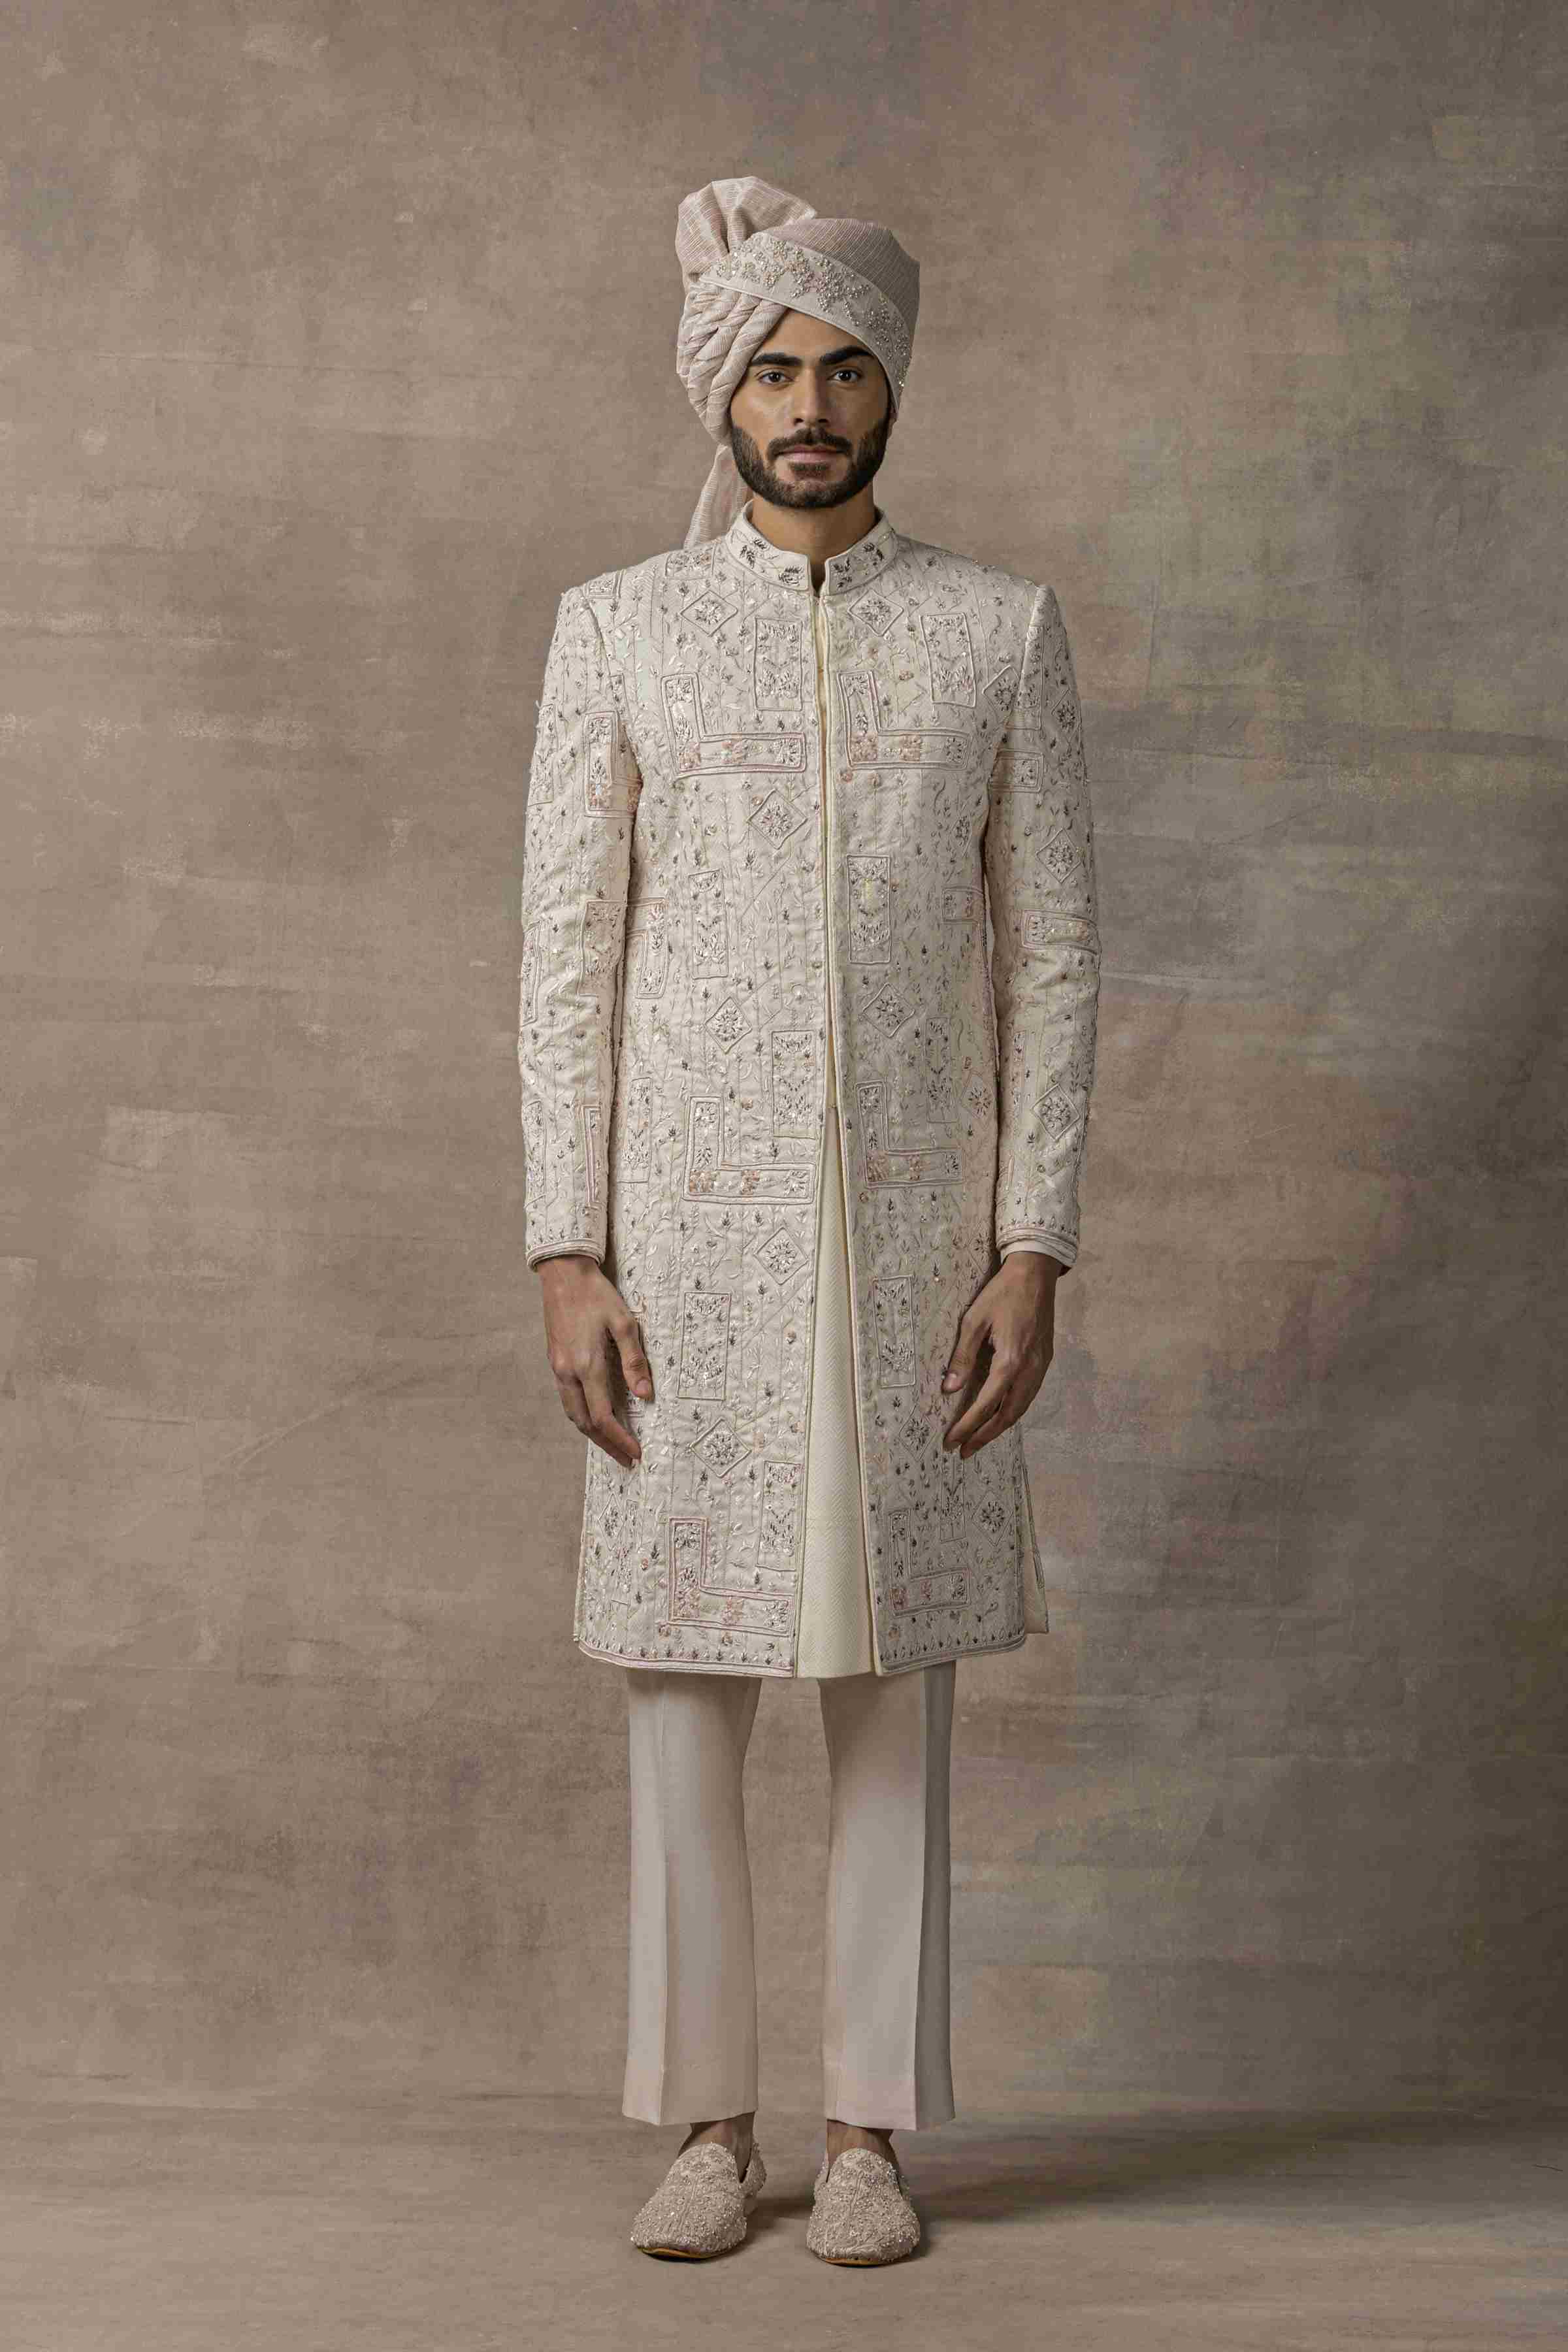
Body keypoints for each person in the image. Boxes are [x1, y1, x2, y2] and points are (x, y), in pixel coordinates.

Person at [517, 174, 1101, 2264]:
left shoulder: (998, 629)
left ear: (890, 390)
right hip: (682, 1251)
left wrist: (1032, 1240)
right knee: (685, 1686)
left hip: (915, 1250)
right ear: (725, 396)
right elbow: (566, 959)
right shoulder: (621, 630)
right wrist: (565, 1249)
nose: (811, 404)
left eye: (845, 367)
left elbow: (1053, 957)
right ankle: (708, 2128)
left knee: (889, 1694)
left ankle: (866, 2134)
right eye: (774, 368)